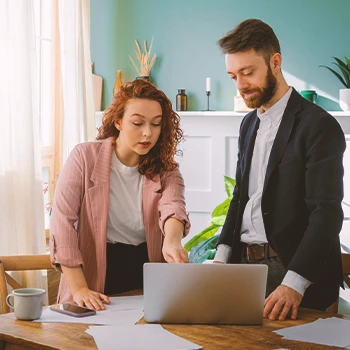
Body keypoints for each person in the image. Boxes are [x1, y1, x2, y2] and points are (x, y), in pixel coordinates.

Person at [214, 18, 345, 321]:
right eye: (233, 76)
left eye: (248, 72)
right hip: (241, 267)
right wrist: (220, 259)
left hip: (291, 272)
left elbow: (325, 213)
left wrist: (294, 284)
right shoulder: (248, 124)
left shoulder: (319, 126)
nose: (240, 85)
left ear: (275, 62)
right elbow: (240, 198)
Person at [50, 79, 190, 310]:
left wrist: (172, 241)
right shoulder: (84, 157)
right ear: (118, 122)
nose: (147, 133)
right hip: (94, 274)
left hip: (145, 271)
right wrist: (79, 289)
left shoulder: (167, 169)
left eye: (156, 124)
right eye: (137, 123)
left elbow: (174, 206)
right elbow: (62, 222)